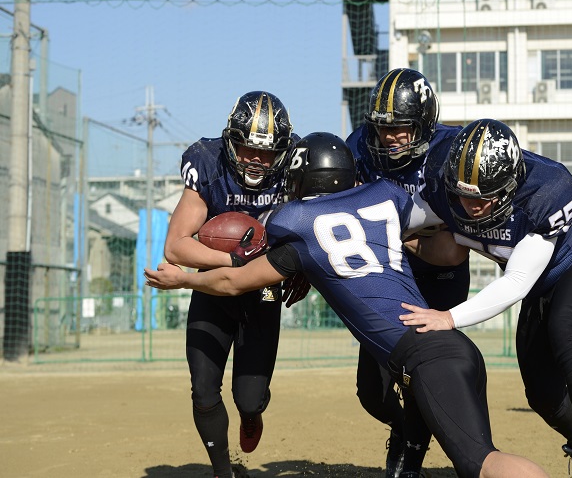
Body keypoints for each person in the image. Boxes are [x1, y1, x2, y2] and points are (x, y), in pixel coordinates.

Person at [146, 132, 549, 478]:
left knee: (483, 462)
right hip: (451, 344)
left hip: (423, 356)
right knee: (469, 455)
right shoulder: (385, 197)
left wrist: (183, 280)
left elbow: (234, 280)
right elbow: (440, 236)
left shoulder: (296, 223)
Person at [400, 119, 572, 478]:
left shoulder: (544, 193)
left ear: (510, 184)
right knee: (541, 393)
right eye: (464, 195)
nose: (471, 206)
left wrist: (449, 317)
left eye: (484, 196)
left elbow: (516, 282)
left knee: (568, 333)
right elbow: (399, 219)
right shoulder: (443, 187)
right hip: (540, 287)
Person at [163, 91, 297, 478]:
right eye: (247, 148)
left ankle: (252, 414)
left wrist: (300, 268)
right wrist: (235, 260)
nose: (257, 159)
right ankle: (224, 472)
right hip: (212, 291)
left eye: (268, 152)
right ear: (230, 141)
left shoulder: (294, 170)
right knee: (204, 388)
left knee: (249, 399)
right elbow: (176, 246)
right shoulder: (207, 162)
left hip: (264, 292)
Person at [345, 67, 469, 478]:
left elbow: (449, 252)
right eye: (384, 128)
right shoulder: (360, 149)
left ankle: (411, 455)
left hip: (440, 278)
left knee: (424, 376)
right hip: (387, 273)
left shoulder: (450, 150)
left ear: (425, 124)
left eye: (402, 127)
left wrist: (388, 233)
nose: (391, 137)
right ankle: (406, 431)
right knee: (372, 392)